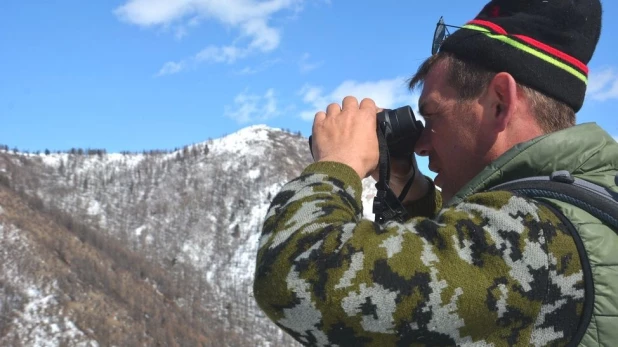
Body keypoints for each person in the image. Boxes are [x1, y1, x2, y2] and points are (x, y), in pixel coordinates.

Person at [253, 0, 618, 345]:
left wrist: (337, 162)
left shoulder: (536, 239)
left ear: (499, 103)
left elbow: (291, 282)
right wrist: (408, 190)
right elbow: (456, 283)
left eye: (432, 117)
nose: (421, 145)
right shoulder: (578, 208)